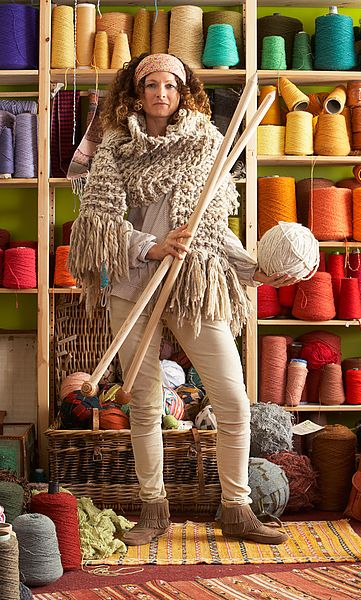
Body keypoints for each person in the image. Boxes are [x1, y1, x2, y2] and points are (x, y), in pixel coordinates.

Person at [68, 53, 298, 547]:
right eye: (150, 84)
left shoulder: (207, 145)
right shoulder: (114, 148)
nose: (160, 93)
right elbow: (98, 226)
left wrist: (254, 269)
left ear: (183, 91)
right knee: (145, 404)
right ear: (135, 91)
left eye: (170, 84)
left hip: (194, 283)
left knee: (233, 400)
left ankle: (236, 507)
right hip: (132, 284)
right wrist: (150, 246)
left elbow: (214, 231)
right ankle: (155, 509)